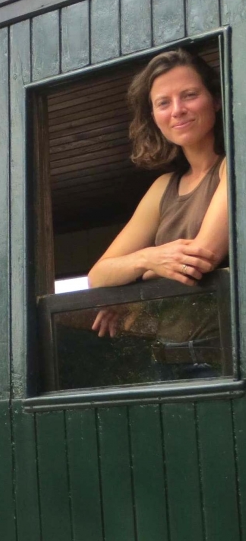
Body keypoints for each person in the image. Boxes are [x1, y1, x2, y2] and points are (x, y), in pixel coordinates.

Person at [87, 49, 227, 368]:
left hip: (222, 358)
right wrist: (150, 259)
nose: (177, 110)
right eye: (163, 102)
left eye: (189, 95)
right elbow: (98, 276)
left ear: (215, 100)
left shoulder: (232, 167)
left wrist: (131, 283)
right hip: (166, 358)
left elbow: (199, 259)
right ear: (154, 116)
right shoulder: (164, 185)